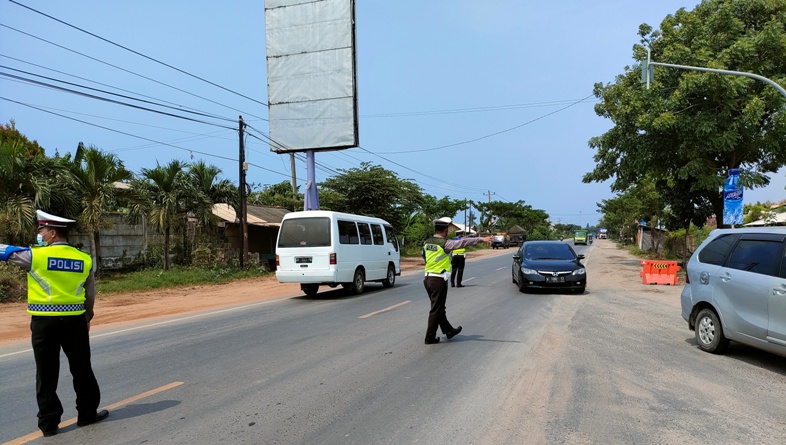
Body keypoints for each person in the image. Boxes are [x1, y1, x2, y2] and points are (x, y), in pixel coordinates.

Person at [0, 210, 108, 437]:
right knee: (82, 369)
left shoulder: (34, 256)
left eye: (41, 230)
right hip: (75, 322)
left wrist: (10, 249)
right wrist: (88, 317)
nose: (39, 234)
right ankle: (87, 414)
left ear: (51, 232)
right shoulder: (84, 258)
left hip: (44, 324)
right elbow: (90, 294)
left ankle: (49, 424)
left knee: (46, 373)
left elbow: (3, 252)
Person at [422, 217, 491, 345]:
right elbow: (463, 242)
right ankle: (429, 337)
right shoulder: (445, 243)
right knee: (436, 309)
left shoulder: (427, 242)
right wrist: (481, 239)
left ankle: (448, 330)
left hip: (427, 278)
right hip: (438, 280)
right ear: (445, 230)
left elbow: (424, 257)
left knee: (439, 307)